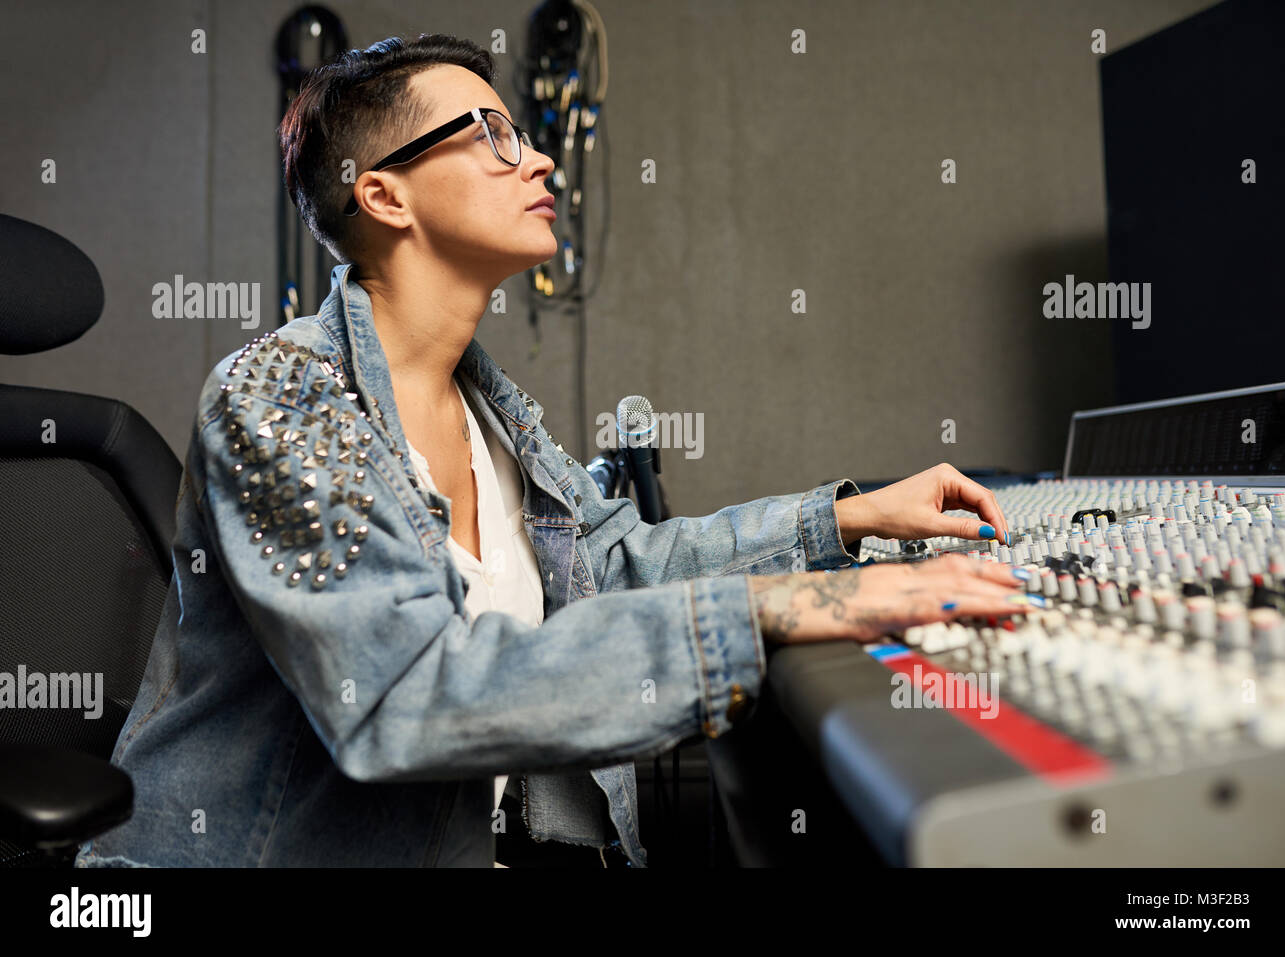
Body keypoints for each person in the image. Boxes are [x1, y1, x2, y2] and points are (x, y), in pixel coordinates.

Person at [75, 33, 1027, 869]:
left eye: (523, 136)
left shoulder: (492, 413)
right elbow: (403, 697)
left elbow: (620, 565)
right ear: (383, 194)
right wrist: (786, 605)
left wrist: (846, 521)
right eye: (491, 134)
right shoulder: (277, 395)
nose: (539, 164)